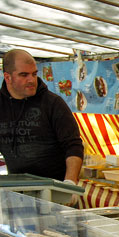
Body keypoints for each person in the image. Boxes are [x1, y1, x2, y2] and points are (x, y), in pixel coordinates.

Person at [0, 49, 84, 185]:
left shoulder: (53, 103)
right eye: (24, 75)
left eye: (34, 74)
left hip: (54, 189)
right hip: (16, 189)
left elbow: (73, 145)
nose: (31, 80)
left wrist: (70, 181)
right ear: (8, 77)